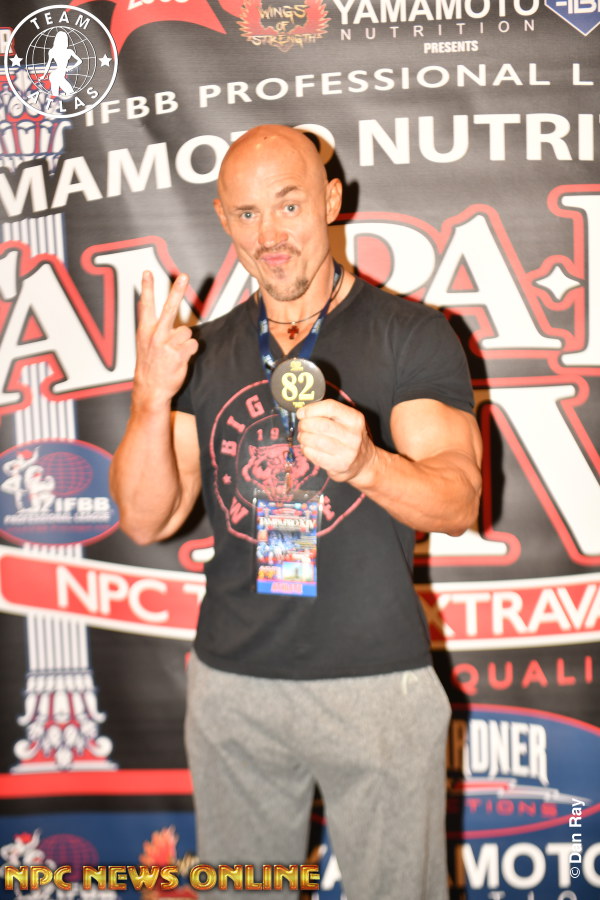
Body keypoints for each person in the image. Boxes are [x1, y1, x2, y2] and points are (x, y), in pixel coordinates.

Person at [110, 125, 482, 899]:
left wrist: (368, 464)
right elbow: (148, 518)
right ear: (223, 219)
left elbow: (459, 500)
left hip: (377, 684)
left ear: (331, 201)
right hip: (233, 688)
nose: (270, 235)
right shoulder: (202, 351)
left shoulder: (410, 334)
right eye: (247, 213)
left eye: (288, 205)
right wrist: (148, 400)